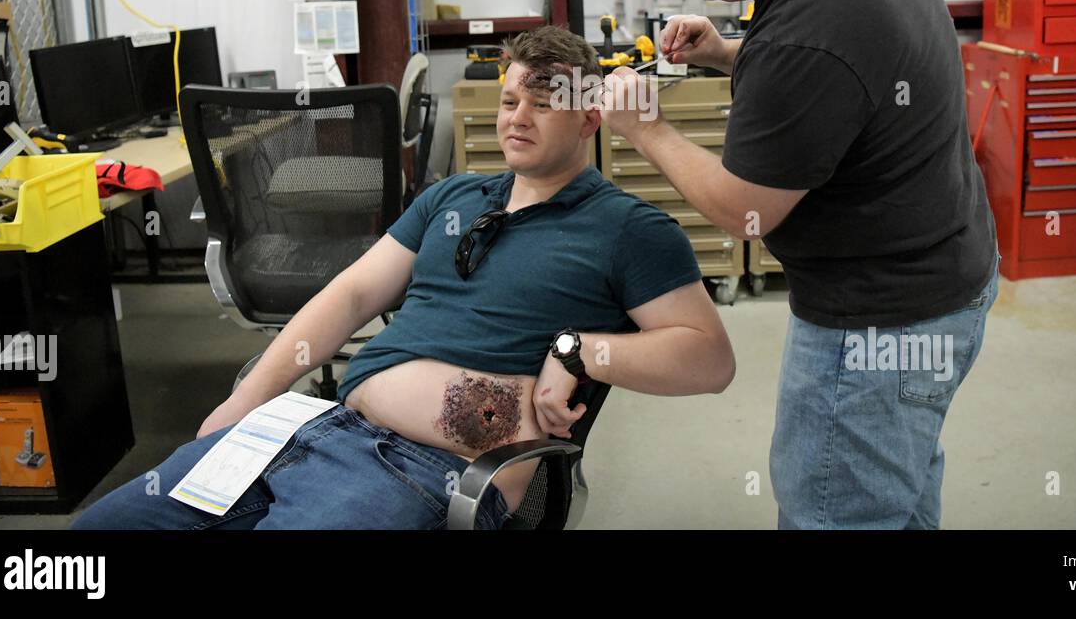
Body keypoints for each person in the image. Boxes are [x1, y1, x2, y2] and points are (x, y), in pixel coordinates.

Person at [74, 26, 734, 530]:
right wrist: (244, 402)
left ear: (591, 117)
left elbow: (709, 360)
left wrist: (579, 349)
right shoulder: (452, 199)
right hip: (314, 428)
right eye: (508, 101)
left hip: (427, 471)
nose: (515, 118)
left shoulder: (628, 229)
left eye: (541, 103)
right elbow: (352, 294)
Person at [601, 0, 999, 529]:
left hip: (879, 324)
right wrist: (732, 53)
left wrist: (646, 129)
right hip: (947, 280)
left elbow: (744, 212)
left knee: (836, 511)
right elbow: (845, 81)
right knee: (897, 495)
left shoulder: (804, 35)